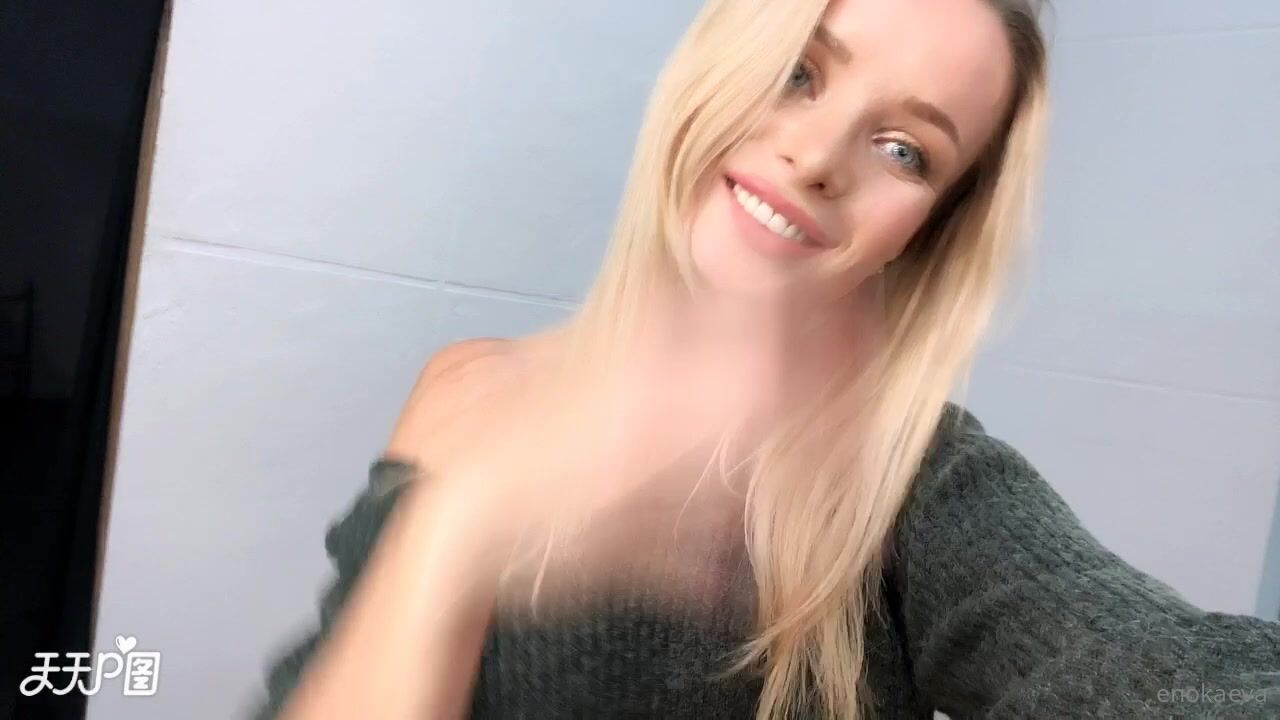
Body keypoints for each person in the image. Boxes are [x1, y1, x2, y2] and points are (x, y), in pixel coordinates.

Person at [252, 0, 1280, 718]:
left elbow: (1169, 675)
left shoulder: (912, 480)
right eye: (799, 73)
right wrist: (457, 531)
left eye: (904, 150)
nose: (816, 158)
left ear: (921, 233)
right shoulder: (464, 390)